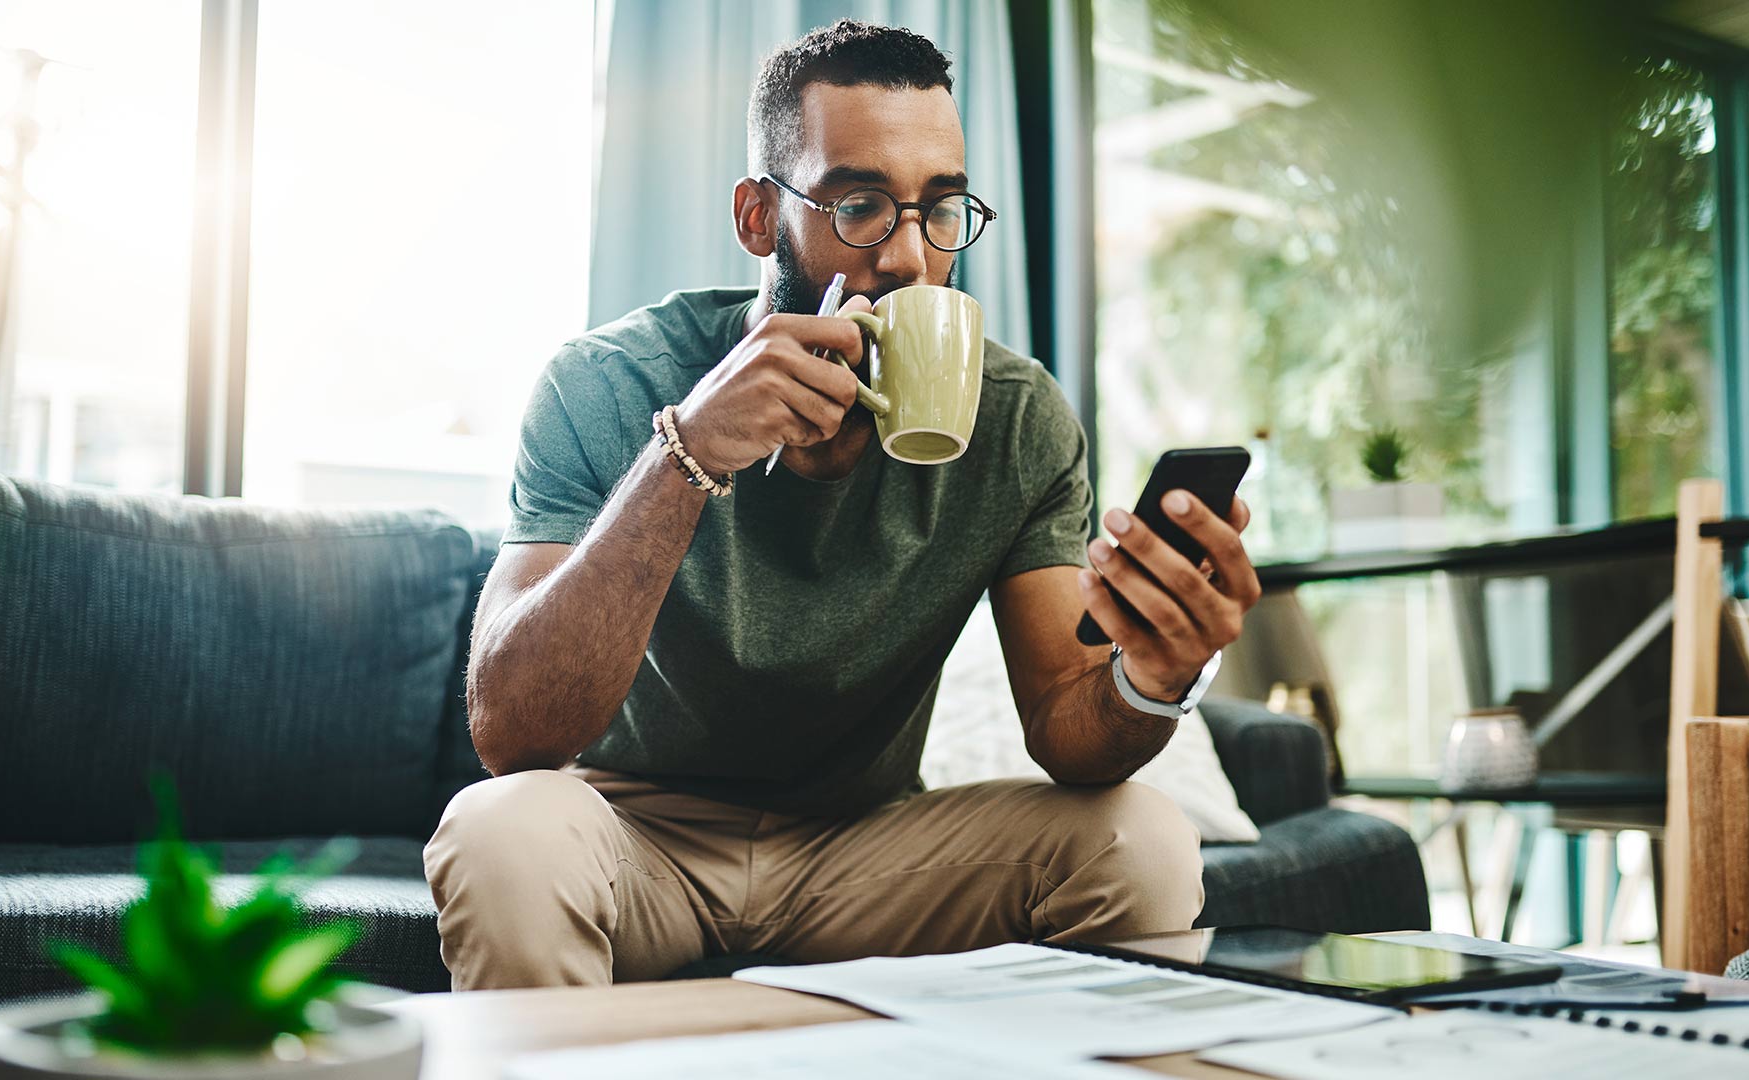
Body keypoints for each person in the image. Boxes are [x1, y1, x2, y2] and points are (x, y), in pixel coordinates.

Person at [423, 19, 1258, 990]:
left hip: (870, 854)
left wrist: (1154, 675)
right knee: (500, 833)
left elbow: (1071, 740)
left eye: (941, 209)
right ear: (755, 217)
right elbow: (512, 734)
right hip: (634, 838)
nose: (908, 258)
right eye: (859, 204)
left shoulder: (1017, 421)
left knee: (1140, 838)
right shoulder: (605, 384)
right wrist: (684, 455)